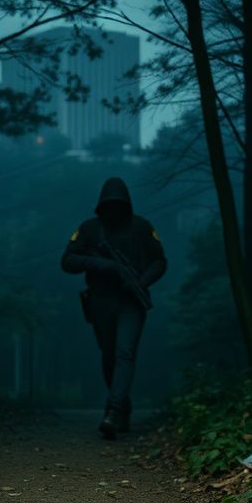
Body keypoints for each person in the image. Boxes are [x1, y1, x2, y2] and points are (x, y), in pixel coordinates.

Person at [62, 177, 167, 439]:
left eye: (118, 205)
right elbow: (68, 260)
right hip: (100, 299)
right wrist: (102, 265)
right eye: (110, 205)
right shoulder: (90, 230)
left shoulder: (142, 228)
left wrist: (139, 282)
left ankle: (113, 409)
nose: (114, 210)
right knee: (109, 356)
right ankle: (123, 407)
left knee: (124, 353)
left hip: (132, 300)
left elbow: (159, 262)